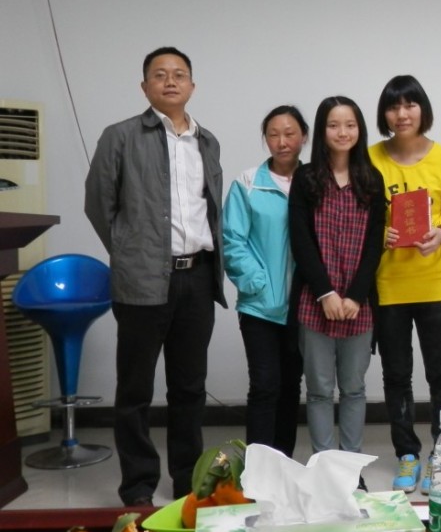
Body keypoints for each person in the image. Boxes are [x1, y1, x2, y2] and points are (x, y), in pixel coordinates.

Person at [84, 46, 226, 507]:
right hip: (143, 280)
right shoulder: (120, 136)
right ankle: (139, 485)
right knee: (135, 389)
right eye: (160, 74)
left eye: (179, 74)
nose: (170, 81)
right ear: (144, 86)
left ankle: (188, 481)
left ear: (192, 86)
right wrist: (131, 254)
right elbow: (98, 204)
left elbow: (211, 208)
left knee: (189, 387)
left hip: (197, 277)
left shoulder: (208, 142)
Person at [369, 75, 441, 495]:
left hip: (436, 283)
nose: (402, 114)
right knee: (396, 375)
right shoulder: (370, 158)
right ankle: (407, 452)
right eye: (393, 106)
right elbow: (360, 215)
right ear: (384, 114)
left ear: (423, 109)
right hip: (389, 284)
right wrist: (380, 233)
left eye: (410, 105)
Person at [288, 97, 385, 489]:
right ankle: (323, 471)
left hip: (358, 304)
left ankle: (351, 471)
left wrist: (355, 296)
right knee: (318, 392)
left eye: (350, 125)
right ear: (322, 131)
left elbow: (375, 243)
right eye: (333, 125)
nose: (342, 132)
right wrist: (326, 293)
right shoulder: (307, 178)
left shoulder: (371, 179)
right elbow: (300, 240)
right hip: (316, 302)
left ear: (359, 129)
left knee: (355, 389)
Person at [222, 105, 309, 456]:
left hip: (303, 307)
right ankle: (258, 467)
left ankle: (282, 462)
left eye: (289, 133)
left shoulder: (315, 181)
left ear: (304, 137)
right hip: (260, 305)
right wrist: (257, 283)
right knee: (264, 386)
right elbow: (232, 241)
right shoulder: (247, 184)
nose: (282, 141)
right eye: (273, 134)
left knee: (291, 387)